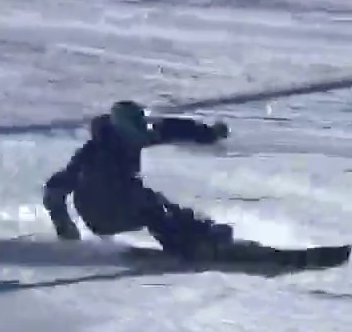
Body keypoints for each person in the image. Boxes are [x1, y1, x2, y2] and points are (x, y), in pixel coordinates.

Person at [42, 100, 235, 259]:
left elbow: (169, 129)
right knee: (149, 205)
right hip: (99, 211)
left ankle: (196, 233)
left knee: (153, 199)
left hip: (121, 198)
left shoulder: (131, 138)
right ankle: (185, 247)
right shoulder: (95, 152)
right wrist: (63, 224)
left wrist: (208, 133)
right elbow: (55, 187)